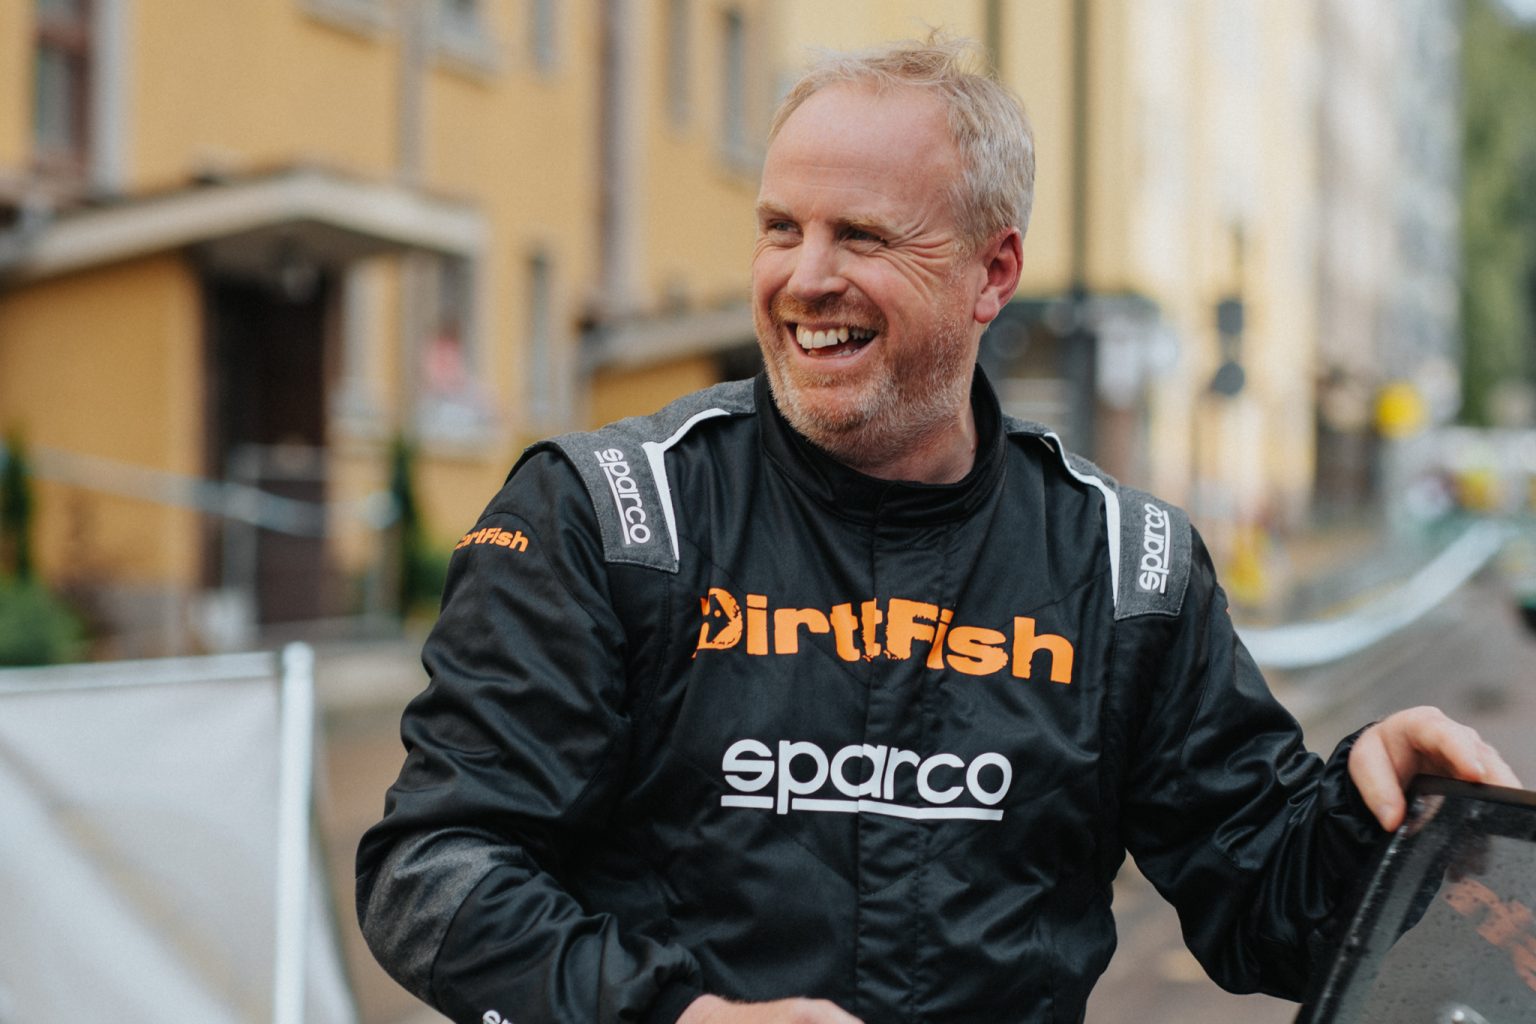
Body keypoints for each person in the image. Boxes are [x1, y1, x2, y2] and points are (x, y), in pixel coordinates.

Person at [356, 39, 1519, 1024]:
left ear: (992, 271)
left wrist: (1375, 810)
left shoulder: (1126, 569)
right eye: (780, 228)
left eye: (862, 236)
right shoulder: (608, 516)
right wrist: (673, 1015)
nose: (805, 278)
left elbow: (1270, 905)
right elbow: (433, 872)